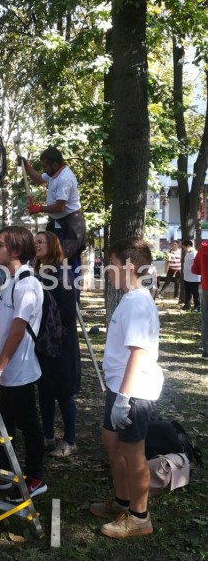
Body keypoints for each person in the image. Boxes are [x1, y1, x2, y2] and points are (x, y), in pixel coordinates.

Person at [90, 237, 164, 538]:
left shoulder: (136, 302)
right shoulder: (130, 297)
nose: (108, 270)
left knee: (133, 452)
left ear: (129, 266)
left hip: (133, 390)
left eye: (112, 264)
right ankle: (122, 502)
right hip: (120, 387)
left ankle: (139, 517)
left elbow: (138, 352)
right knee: (111, 441)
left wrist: (123, 398)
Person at [0, 226, 46, 499]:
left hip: (18, 372)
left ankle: (36, 476)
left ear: (16, 251)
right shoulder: (12, 281)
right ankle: (4, 473)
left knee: (29, 426)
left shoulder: (29, 284)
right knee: (4, 425)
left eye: (1, 245)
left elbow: (17, 332)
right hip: (5, 373)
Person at [34, 231, 81, 457]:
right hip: (42, 342)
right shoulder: (38, 273)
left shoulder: (62, 273)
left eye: (40, 242)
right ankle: (48, 436)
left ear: (52, 246)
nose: (36, 245)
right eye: (35, 242)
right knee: (44, 390)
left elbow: (68, 312)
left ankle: (70, 440)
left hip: (61, 342)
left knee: (64, 392)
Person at [18, 146, 86, 273]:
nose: (43, 169)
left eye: (45, 166)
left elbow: (60, 207)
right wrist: (26, 165)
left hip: (71, 223)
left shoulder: (65, 178)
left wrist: (39, 208)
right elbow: (38, 178)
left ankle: (71, 290)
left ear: (55, 164)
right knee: (50, 255)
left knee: (68, 259)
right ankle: (51, 286)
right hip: (57, 222)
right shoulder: (53, 173)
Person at [191, 239, 208, 359]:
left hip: (207, 288)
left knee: (206, 318)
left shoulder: (203, 247)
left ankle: (206, 350)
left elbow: (195, 269)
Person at [181, 239, 201, 312]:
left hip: (194, 278)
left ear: (188, 246)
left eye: (184, 247)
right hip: (186, 277)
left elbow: (198, 265)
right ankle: (187, 306)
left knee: (195, 293)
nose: (184, 249)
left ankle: (197, 307)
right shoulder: (187, 253)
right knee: (188, 293)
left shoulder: (195, 253)